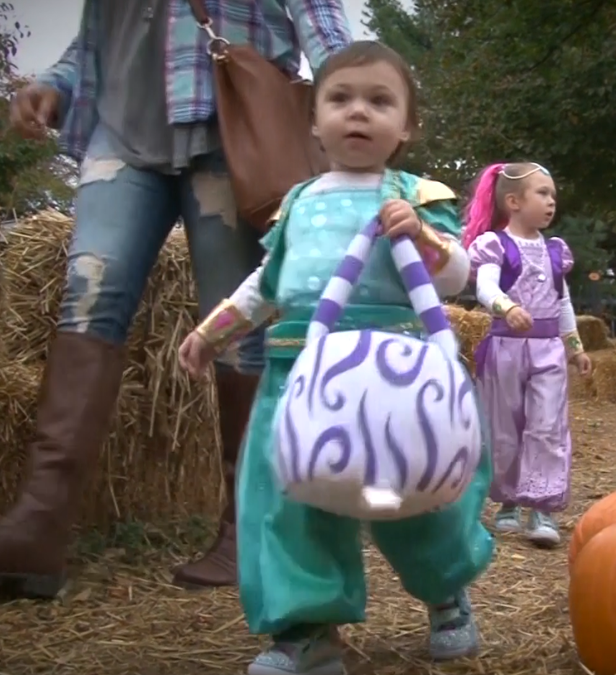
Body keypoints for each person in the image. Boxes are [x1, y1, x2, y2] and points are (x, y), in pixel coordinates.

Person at [0, 0, 353, 597]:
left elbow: (323, 26)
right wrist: (54, 85)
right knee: (89, 299)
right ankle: (36, 529)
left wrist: (356, 102)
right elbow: (96, 39)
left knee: (234, 321)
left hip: (235, 124)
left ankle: (250, 530)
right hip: (121, 128)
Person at [177, 41, 493, 675]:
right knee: (292, 502)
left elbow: (458, 275)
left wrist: (423, 236)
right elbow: (268, 284)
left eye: (379, 101)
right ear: (313, 119)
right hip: (299, 376)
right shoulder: (297, 202)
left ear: (407, 125)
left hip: (398, 380)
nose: (358, 113)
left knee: (417, 492)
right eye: (340, 99)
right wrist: (214, 331)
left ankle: (445, 591)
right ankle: (309, 630)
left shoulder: (416, 194)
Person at [463, 162, 592, 549]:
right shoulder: (495, 245)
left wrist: (575, 347)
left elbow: (563, 301)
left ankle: (541, 506)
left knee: (547, 424)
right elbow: (484, 286)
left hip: (548, 349)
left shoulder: (555, 252)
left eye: (553, 195)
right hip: (506, 348)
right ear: (513, 201)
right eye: (543, 193)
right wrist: (506, 307)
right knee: (504, 427)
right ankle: (507, 500)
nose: (552, 202)